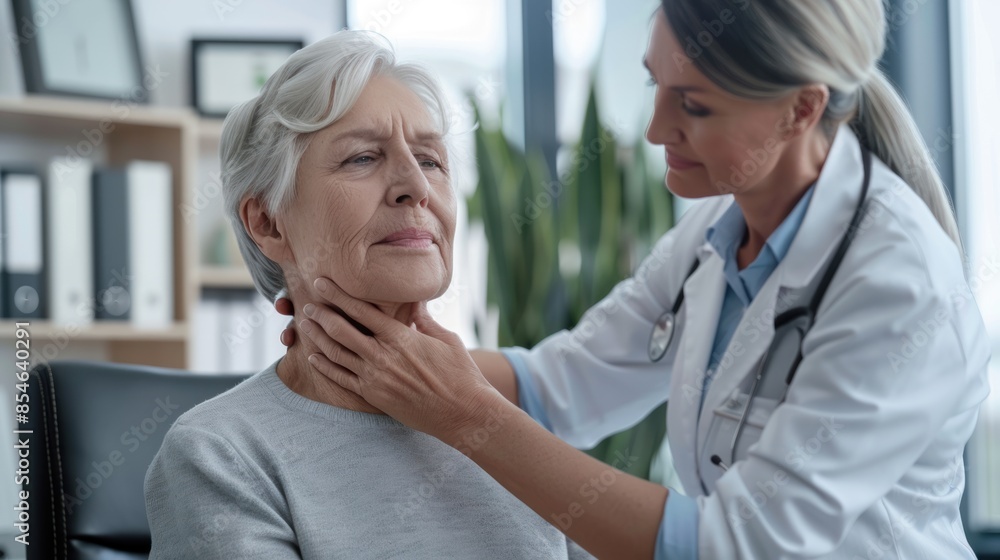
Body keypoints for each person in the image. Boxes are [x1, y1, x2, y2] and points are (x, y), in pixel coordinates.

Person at [276, 1, 992, 558]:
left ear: (802, 108)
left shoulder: (899, 288)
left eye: (695, 106)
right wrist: (383, 347)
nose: (654, 129)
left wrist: (465, 416)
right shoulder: (716, 233)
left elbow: (736, 547)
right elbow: (564, 381)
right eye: (657, 85)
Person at [144, 31, 592, 560]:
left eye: (430, 160)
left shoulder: (513, 438)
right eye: (362, 158)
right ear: (267, 222)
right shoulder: (219, 455)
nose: (415, 186)